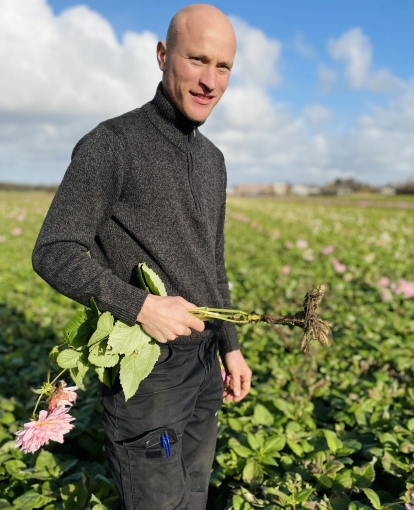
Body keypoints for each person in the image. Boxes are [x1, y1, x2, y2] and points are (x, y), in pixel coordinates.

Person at [32, 4, 251, 509]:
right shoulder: (111, 145)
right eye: (197, 60)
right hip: (146, 370)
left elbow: (210, 264)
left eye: (223, 67)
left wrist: (230, 346)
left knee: (193, 497)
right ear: (161, 55)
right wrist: (141, 307)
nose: (210, 81)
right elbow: (54, 250)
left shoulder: (213, 161)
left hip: (203, 365)